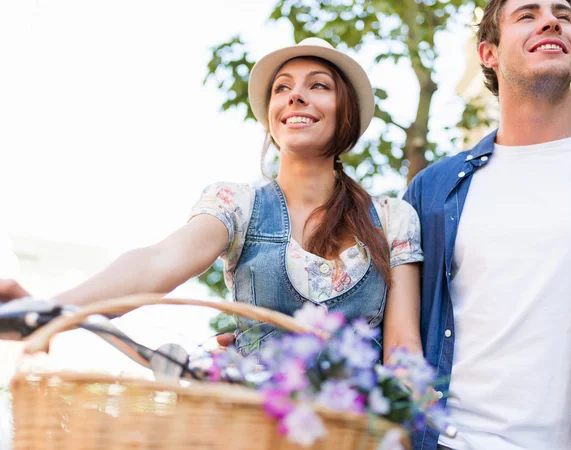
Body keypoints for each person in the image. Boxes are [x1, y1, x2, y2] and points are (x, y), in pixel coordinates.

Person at [0, 38, 424, 361]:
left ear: (344, 110)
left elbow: (403, 347)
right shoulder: (236, 204)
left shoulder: (392, 219)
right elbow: (157, 261)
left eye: (318, 86)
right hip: (249, 429)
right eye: (282, 88)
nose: (295, 96)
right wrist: (50, 311)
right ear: (271, 116)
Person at [403, 0, 571, 449]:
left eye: (563, 16)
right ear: (487, 53)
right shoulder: (432, 190)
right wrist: (266, 343)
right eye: (527, 15)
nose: (550, 20)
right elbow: (382, 314)